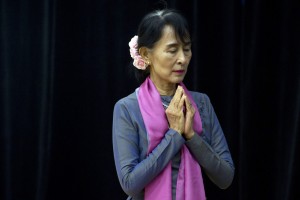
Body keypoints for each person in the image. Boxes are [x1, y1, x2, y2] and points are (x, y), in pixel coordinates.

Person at [112, 9, 235, 200]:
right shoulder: (127, 108)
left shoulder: (201, 103)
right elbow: (130, 183)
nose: (183, 59)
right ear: (146, 54)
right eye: (172, 50)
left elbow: (225, 177)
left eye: (186, 49)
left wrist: (191, 136)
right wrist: (175, 135)